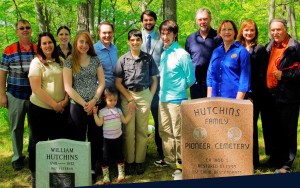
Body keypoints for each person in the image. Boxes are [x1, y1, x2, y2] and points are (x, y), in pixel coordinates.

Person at [114, 29, 158, 175]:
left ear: (141, 41)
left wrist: (150, 96)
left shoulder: (148, 58)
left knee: (142, 129)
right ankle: (130, 161)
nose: (135, 42)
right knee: (129, 131)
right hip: (128, 95)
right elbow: (118, 83)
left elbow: (154, 80)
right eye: (132, 40)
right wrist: (129, 98)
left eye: (137, 40)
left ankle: (139, 161)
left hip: (144, 94)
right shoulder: (122, 59)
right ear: (128, 41)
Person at [27, 32, 69, 186]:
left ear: (54, 43)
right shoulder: (36, 63)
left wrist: (65, 101)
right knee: (38, 144)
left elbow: (67, 84)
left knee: (58, 144)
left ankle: (56, 178)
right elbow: (36, 89)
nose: (47, 45)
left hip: (60, 110)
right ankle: (37, 178)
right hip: (40, 110)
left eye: (50, 42)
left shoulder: (61, 62)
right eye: (44, 43)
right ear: (40, 46)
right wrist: (54, 104)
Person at [63, 31, 105, 179]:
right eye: (81, 42)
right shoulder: (69, 61)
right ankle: (80, 168)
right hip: (77, 106)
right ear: (76, 43)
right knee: (78, 137)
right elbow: (68, 87)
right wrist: (84, 104)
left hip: (95, 105)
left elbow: (102, 82)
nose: (84, 45)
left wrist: (93, 100)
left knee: (95, 137)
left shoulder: (95, 60)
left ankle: (92, 167)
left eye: (87, 42)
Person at [158, 20, 195, 177]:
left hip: (177, 100)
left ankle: (181, 161)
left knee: (178, 132)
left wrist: (179, 88)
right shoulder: (164, 53)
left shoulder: (182, 54)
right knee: (164, 130)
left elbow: (191, 79)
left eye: (168, 33)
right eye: (163, 33)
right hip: (162, 99)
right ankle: (169, 158)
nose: (165, 36)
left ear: (175, 34)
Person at [0, 19, 37, 170]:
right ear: (16, 31)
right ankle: (17, 156)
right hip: (15, 95)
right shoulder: (8, 50)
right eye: (21, 28)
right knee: (16, 127)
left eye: (27, 27)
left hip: (35, 96)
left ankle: (33, 153)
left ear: (31, 30)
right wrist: (2, 94)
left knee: (34, 127)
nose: (25, 30)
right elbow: (2, 74)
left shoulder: (38, 48)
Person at [237, 19, 274, 168]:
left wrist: (251, 93)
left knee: (250, 127)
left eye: (252, 30)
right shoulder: (236, 47)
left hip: (254, 95)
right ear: (242, 31)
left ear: (255, 32)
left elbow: (261, 74)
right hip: (238, 94)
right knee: (239, 128)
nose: (249, 33)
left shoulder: (259, 49)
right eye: (246, 30)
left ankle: (253, 161)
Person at [265, 18, 300, 173]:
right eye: (273, 30)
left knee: (288, 129)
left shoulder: (295, 47)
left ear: (285, 29)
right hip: (271, 95)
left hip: (288, 96)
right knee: (273, 129)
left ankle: (286, 163)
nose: (275, 33)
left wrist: (285, 75)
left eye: (278, 29)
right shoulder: (269, 47)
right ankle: (275, 158)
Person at [92, 87, 133, 184]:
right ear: (105, 99)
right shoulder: (102, 111)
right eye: (110, 100)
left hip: (118, 138)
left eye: (115, 100)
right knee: (105, 157)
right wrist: (94, 114)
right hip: (107, 140)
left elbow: (125, 121)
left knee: (119, 155)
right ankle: (106, 176)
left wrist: (130, 113)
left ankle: (121, 172)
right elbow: (99, 124)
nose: (113, 102)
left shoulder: (118, 110)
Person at [140, 10, 165, 165]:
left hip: (159, 85)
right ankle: (140, 154)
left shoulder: (161, 38)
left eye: (151, 20)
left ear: (155, 21)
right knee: (140, 121)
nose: (148, 22)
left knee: (159, 120)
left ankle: (161, 151)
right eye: (145, 20)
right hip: (140, 86)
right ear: (142, 22)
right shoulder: (135, 37)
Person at [207, 20, 251, 99]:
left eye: (230, 29)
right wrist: (209, 98)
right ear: (220, 33)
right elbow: (210, 74)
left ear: (235, 32)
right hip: (215, 98)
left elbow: (244, 79)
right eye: (224, 29)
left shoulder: (241, 51)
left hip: (233, 99)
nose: (227, 32)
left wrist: (238, 102)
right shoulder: (216, 51)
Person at [185, 8, 221, 99]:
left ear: (210, 19)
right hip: (196, 84)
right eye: (200, 19)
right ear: (197, 21)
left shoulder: (219, 37)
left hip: (215, 83)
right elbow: (187, 61)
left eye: (205, 19)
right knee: (197, 112)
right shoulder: (190, 39)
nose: (203, 22)